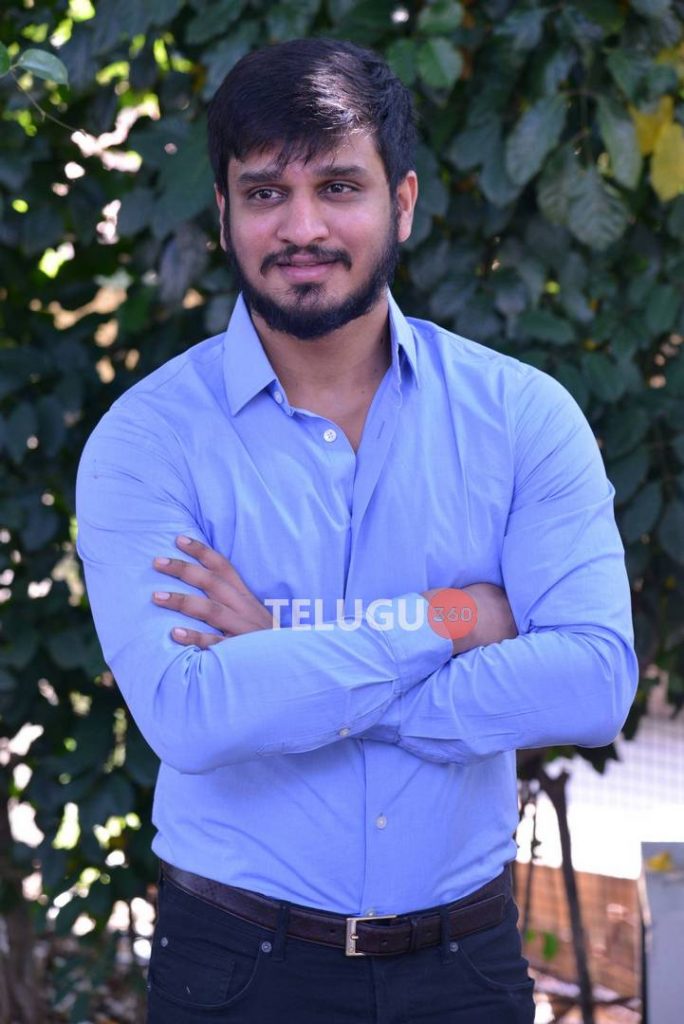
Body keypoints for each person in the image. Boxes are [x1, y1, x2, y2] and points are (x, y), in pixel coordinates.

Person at [76, 37, 638, 1024]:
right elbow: (192, 714)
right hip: (237, 969)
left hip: (464, 968)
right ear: (223, 215)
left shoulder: (521, 417)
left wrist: (282, 651)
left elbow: (593, 680)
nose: (302, 227)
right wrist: (454, 618)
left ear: (402, 203)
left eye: (338, 186)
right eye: (265, 193)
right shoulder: (149, 441)